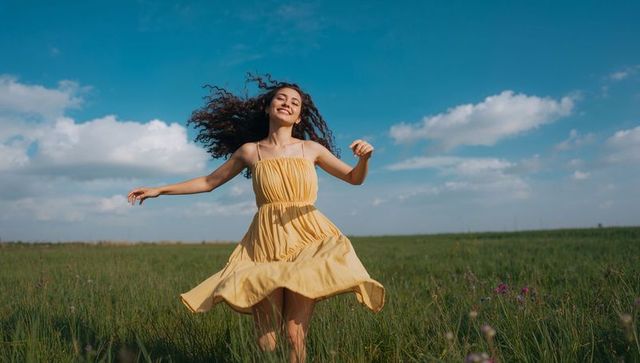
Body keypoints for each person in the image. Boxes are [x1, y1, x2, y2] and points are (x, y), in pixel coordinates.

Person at [126, 74, 385, 362]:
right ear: (267, 107)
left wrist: (364, 160)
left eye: (295, 102)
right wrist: (160, 189)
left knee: (295, 334)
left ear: (299, 117)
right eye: (281, 98)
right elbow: (209, 182)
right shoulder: (251, 151)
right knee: (267, 340)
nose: (287, 104)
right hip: (265, 243)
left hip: (309, 238)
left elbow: (353, 178)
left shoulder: (311, 149)